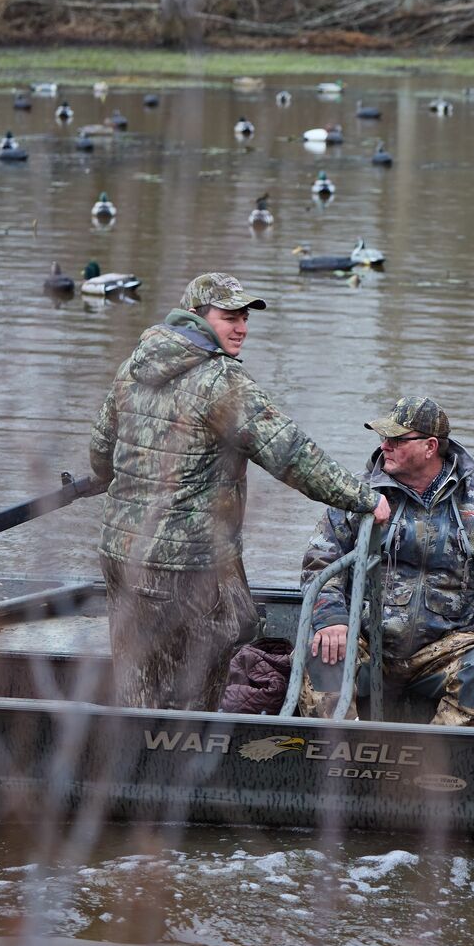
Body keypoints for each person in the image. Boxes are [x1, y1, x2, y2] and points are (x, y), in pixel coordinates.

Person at [90, 272, 390, 710]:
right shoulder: (220, 382)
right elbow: (292, 455)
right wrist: (366, 499)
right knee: (194, 691)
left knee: (138, 682)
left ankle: (132, 766)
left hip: (120, 554)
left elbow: (100, 457)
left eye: (244, 317)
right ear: (195, 316)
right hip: (186, 565)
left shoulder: (132, 367)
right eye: (229, 316)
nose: (241, 328)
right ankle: (187, 767)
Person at [291, 396, 474, 725]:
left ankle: (438, 763)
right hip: (366, 636)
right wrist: (332, 618)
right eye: (384, 438)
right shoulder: (359, 493)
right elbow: (320, 562)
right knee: (319, 654)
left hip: (446, 645)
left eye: (396, 440)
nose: (385, 446)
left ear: (430, 446)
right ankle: (343, 759)